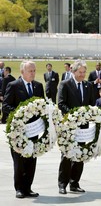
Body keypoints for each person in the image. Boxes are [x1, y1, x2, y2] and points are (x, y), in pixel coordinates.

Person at [3, 61, 44, 199]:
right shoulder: (13, 86)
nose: (32, 73)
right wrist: (20, 114)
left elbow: (42, 106)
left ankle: (28, 188)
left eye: (34, 70)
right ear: (22, 72)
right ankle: (19, 188)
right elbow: (6, 106)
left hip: (34, 130)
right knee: (19, 160)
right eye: (30, 70)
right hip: (18, 131)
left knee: (31, 160)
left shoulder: (38, 86)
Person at [57, 60, 94, 195]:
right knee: (67, 155)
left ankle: (75, 183)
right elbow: (61, 104)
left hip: (84, 128)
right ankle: (62, 184)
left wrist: (88, 116)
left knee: (80, 155)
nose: (83, 75)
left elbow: (91, 104)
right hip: (69, 126)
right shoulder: (65, 84)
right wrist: (74, 116)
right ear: (74, 71)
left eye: (84, 72)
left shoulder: (88, 85)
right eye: (80, 72)